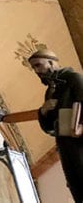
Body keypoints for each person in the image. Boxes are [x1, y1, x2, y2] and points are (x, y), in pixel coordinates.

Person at [29, 48, 83, 202]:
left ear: (51, 63)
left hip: (79, 143)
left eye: (38, 65)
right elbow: (49, 128)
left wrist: (80, 128)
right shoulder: (50, 92)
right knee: (76, 184)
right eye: (34, 68)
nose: (36, 71)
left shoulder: (74, 79)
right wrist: (43, 111)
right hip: (66, 146)